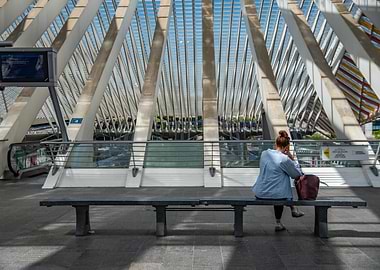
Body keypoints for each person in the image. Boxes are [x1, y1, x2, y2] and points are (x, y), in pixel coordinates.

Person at [252, 130, 304, 232]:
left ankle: (292, 210)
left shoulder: (264, 154)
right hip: (278, 195)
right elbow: (296, 175)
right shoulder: (284, 159)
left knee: (279, 178)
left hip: (260, 192)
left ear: (275, 144)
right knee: (281, 187)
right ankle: (282, 219)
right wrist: (291, 157)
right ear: (287, 147)